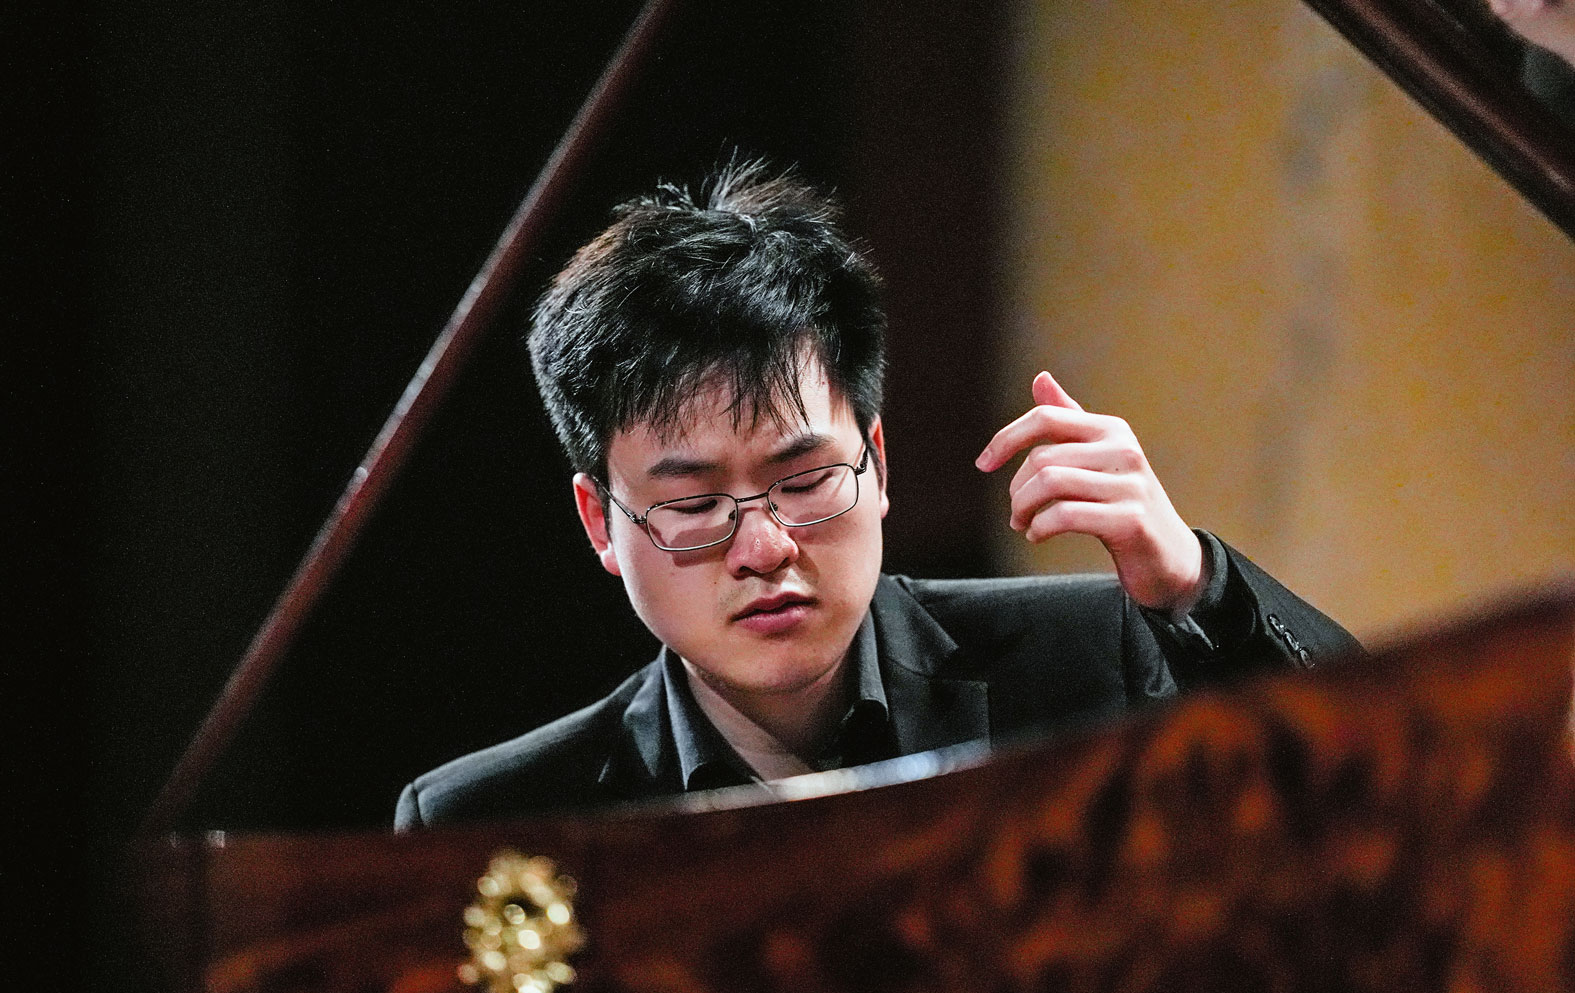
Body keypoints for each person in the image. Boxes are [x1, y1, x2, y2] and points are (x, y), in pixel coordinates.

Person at [394, 163, 1359, 829]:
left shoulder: (1088, 662)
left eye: (805, 480)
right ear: (600, 524)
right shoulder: (493, 820)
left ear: (878, 465)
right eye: (692, 506)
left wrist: (1193, 586)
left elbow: (1375, 786)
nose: (764, 546)